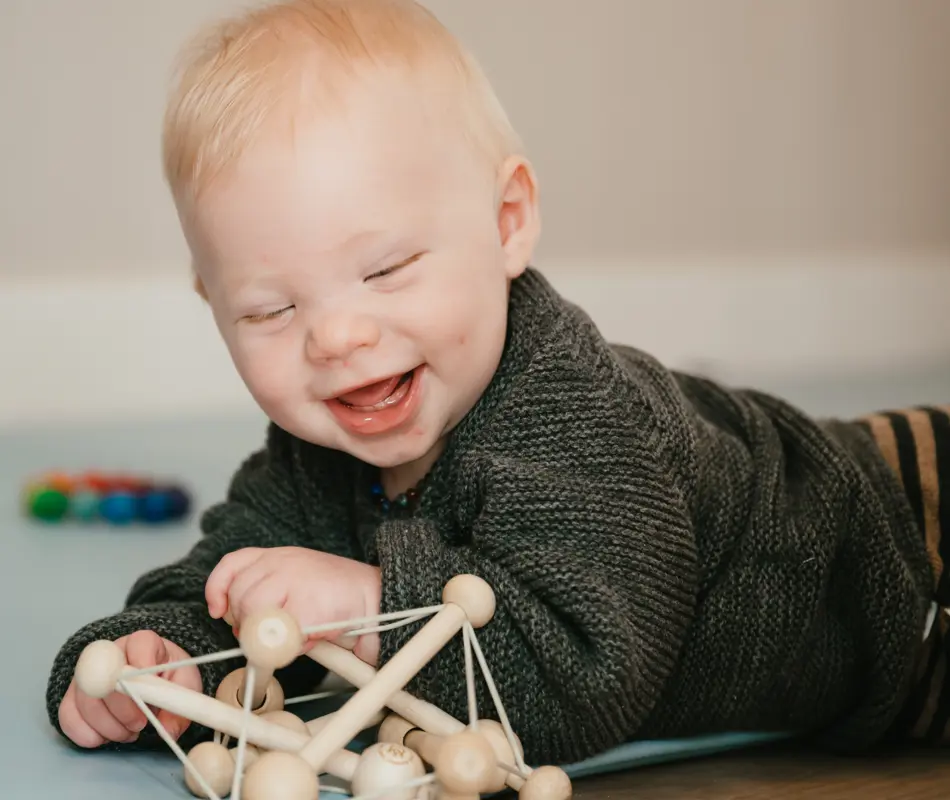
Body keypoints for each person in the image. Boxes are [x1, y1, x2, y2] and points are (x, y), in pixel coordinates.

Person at [46, 0, 949, 772]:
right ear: (212, 307)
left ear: (507, 224)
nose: (338, 337)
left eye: (388, 268)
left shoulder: (574, 413)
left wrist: (367, 604)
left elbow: (586, 677)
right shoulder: (313, 461)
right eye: (270, 311)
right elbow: (218, 586)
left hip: (902, 569)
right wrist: (146, 661)